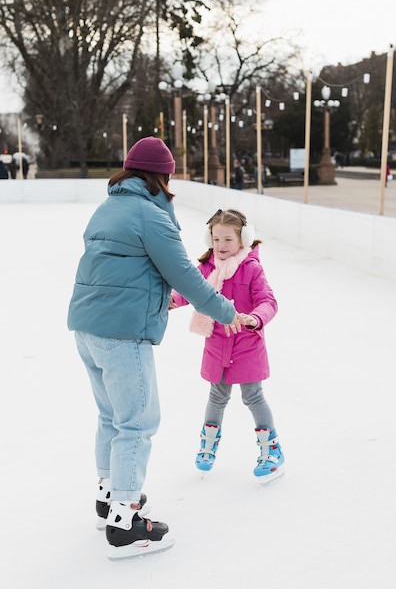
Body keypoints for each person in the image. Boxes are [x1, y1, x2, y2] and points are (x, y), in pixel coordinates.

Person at [67, 137, 244, 560]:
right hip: (121, 332)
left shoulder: (107, 207)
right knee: (137, 422)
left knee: (112, 416)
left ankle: (109, 498)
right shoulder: (150, 215)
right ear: (161, 176)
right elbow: (184, 273)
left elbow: (120, 268)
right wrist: (226, 311)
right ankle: (125, 523)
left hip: (87, 327)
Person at [170, 208, 284, 484]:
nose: (221, 246)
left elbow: (269, 302)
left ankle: (271, 450)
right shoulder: (207, 268)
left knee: (253, 396)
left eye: (228, 240)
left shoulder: (252, 268)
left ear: (243, 239)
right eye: (216, 239)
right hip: (217, 343)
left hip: (246, 343)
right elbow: (190, 291)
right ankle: (208, 444)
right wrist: (172, 300)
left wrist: (254, 319)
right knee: (217, 396)